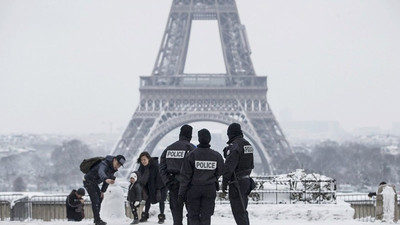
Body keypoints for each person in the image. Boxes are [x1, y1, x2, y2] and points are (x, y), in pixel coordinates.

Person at [179, 128, 224, 225]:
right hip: (209, 188)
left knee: (193, 216)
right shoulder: (217, 156)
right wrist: (213, 178)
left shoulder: (191, 155)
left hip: (193, 188)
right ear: (209, 139)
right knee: (206, 216)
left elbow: (186, 176)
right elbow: (220, 171)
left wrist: (181, 193)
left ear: (199, 139)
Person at [159, 124, 196, 225]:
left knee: (176, 218)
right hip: (188, 186)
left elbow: (162, 169)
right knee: (192, 216)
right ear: (190, 136)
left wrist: (168, 183)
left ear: (180, 134)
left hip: (173, 185)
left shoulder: (168, 149)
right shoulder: (192, 149)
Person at [222, 123, 254, 225]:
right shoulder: (248, 144)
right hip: (246, 180)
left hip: (237, 182)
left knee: (238, 212)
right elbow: (251, 164)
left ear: (230, 134)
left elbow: (229, 167)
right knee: (243, 210)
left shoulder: (235, 146)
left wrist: (224, 182)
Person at [83, 155, 126, 225]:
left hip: (94, 183)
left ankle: (96, 219)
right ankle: (97, 220)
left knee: (100, 198)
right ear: (114, 160)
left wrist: (102, 191)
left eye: (120, 166)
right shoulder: (104, 163)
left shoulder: (112, 169)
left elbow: (106, 182)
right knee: (95, 200)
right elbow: (101, 172)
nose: (118, 166)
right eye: (117, 164)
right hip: (88, 181)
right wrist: (105, 179)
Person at [137, 152, 167, 224]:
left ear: (148, 159)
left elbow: (160, 178)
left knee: (161, 200)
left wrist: (158, 188)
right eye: (142, 160)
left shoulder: (156, 166)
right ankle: (145, 215)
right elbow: (138, 176)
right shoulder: (141, 167)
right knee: (148, 200)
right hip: (148, 187)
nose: (143, 161)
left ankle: (161, 217)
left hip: (160, 187)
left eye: (144, 159)